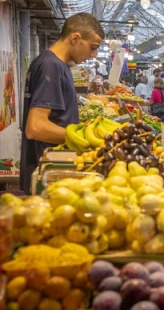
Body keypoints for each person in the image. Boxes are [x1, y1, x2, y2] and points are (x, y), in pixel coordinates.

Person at [20, 13, 104, 193]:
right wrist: (82, 139)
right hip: (48, 173)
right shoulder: (51, 66)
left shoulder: (55, 64)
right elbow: (35, 127)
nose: (94, 54)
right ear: (75, 38)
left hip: (52, 166)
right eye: (92, 47)